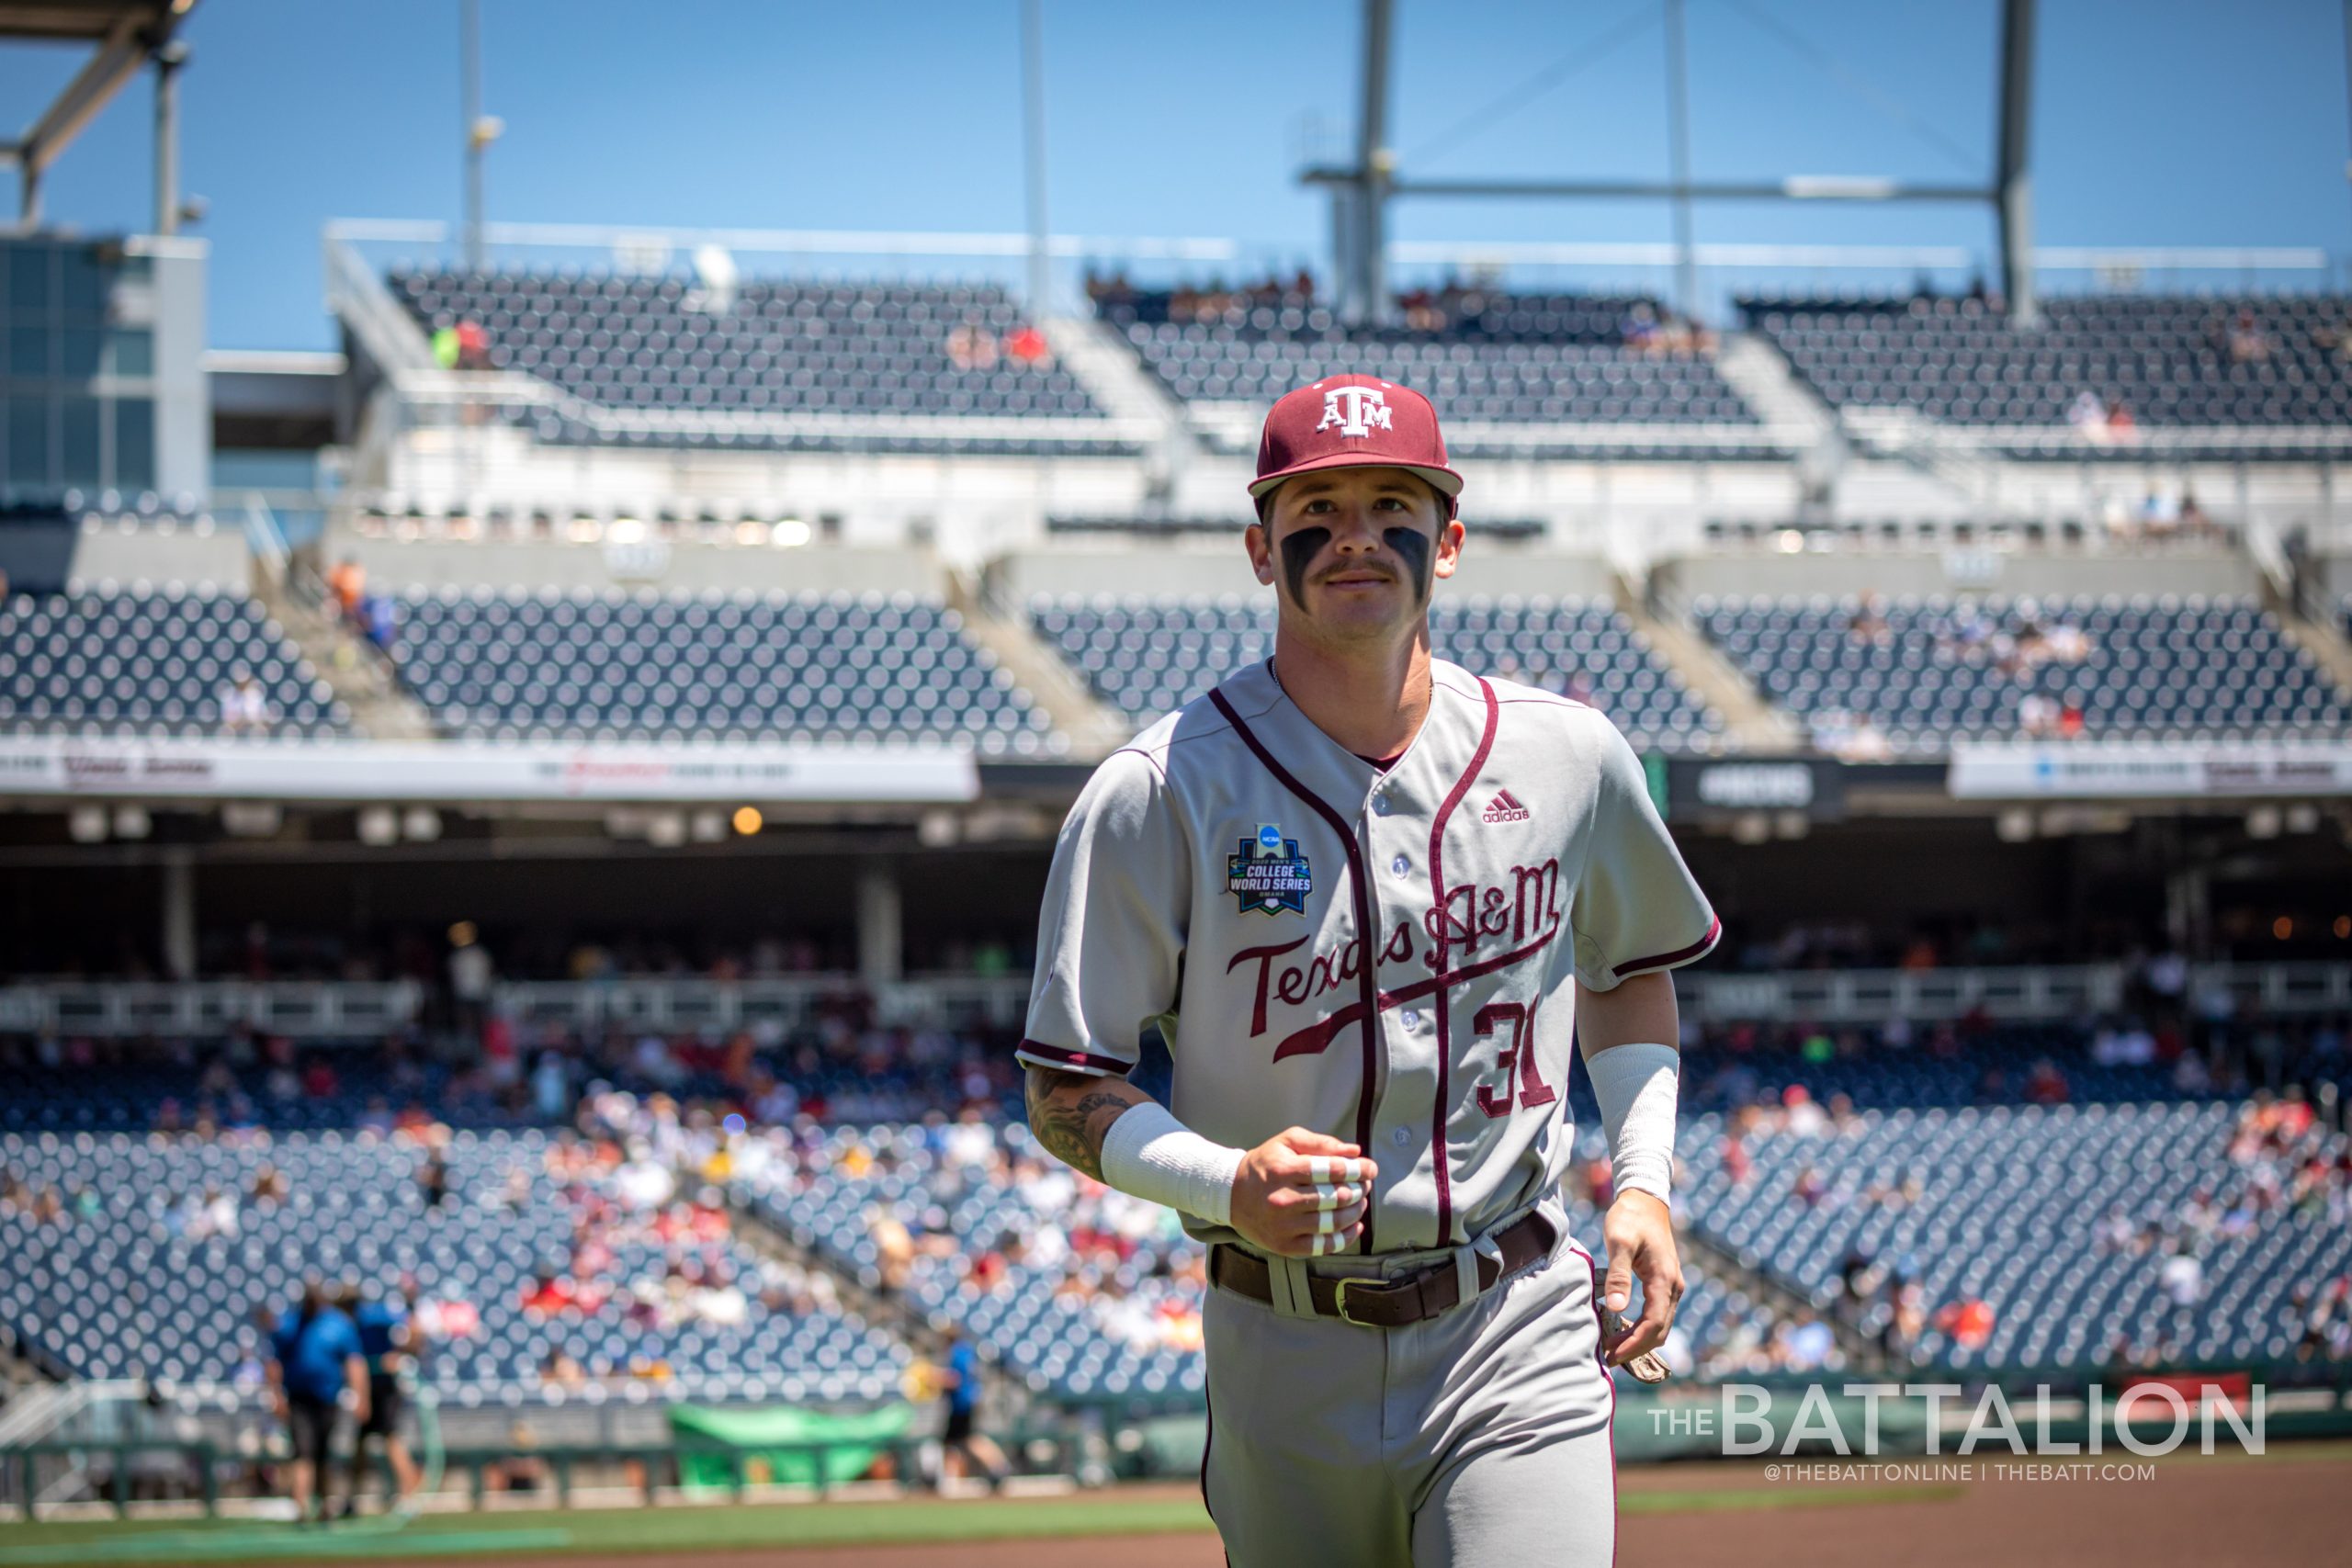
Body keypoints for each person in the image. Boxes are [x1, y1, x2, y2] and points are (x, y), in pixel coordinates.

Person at [1018, 375, 1717, 1565]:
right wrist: (1222, 1179)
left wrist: (1642, 1180)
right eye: (1317, 506)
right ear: (1260, 547)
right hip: (1280, 1338)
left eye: (1392, 500)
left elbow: (1626, 965)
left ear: (1448, 540)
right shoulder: (1157, 787)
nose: (1355, 531)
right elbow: (1065, 1091)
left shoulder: (1570, 752)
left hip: (1515, 1310)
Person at [266, 1281, 368, 1526]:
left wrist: (361, 1396)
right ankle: (301, 1506)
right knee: (304, 1451)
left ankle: (324, 1505)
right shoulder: (290, 1325)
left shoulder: (338, 1325)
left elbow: (355, 1363)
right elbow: (274, 1362)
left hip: (328, 1399)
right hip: (299, 1399)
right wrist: (276, 1395)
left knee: (323, 1454)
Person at [344, 1281, 422, 1517]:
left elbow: (412, 1327)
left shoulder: (372, 1317)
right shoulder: (347, 1326)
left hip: (383, 1387)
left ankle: (409, 1496)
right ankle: (352, 1498)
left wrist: (398, 1354)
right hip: (367, 1387)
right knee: (361, 1445)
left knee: (390, 1439)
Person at [933, 1325, 1009, 1489]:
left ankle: (953, 1480)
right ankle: (997, 1468)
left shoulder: (956, 1352)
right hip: (968, 1401)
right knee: (962, 1441)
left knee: (961, 1441)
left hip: (961, 1404)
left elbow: (955, 1379)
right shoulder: (967, 1350)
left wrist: (935, 1378)